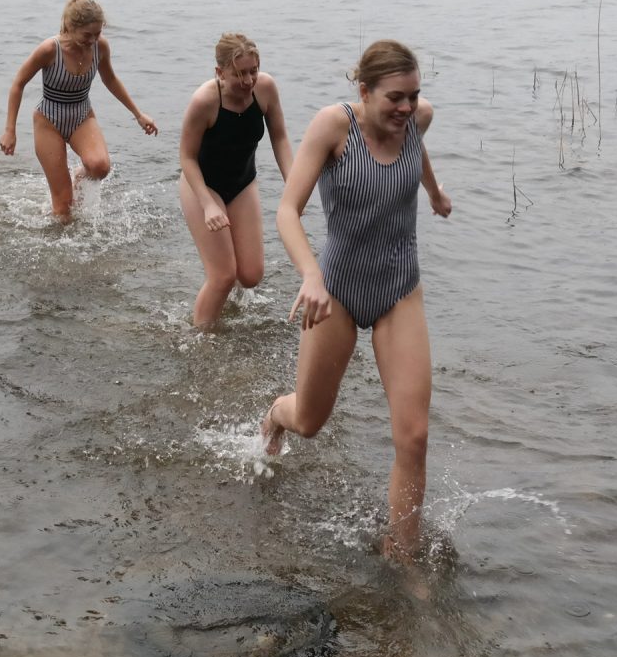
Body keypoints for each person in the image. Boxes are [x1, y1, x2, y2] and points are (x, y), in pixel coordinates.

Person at [260, 40, 452, 561]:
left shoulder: (417, 119)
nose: (407, 109)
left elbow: (417, 146)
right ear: (364, 92)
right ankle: (277, 414)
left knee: (413, 438)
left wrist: (433, 191)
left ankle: (403, 557)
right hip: (337, 291)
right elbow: (286, 211)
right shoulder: (333, 127)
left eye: (414, 96)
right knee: (311, 422)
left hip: (399, 289)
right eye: (395, 98)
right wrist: (311, 275)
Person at [0, 0, 157, 222]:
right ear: (70, 27)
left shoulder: (100, 47)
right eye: (87, 35)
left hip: (82, 115)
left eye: (97, 33)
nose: (93, 40)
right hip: (49, 120)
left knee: (100, 167)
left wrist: (138, 114)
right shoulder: (49, 49)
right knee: (63, 208)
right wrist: (10, 130)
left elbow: (110, 79)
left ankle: (78, 178)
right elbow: (18, 84)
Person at [178, 32, 295, 329]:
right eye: (239, 74)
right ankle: (201, 340)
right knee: (223, 276)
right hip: (203, 186)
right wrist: (208, 205)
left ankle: (223, 299)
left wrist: (294, 186)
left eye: (253, 70)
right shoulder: (205, 101)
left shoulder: (265, 88)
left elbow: (279, 137)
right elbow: (187, 158)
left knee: (251, 276)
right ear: (220, 73)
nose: (248, 80)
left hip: (243, 182)